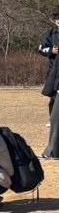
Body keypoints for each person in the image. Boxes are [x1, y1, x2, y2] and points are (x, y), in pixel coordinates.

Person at [41, 12, 59, 159]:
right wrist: (51, 51)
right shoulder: (51, 33)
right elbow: (41, 48)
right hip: (53, 71)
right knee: (52, 99)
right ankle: (52, 118)